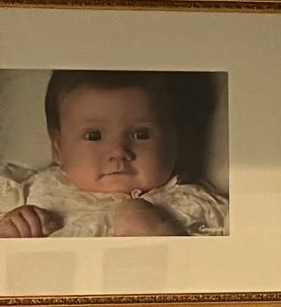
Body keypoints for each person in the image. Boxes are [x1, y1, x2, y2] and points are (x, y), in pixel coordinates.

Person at [0, 73, 228, 239]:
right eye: (94, 135)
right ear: (58, 148)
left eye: (141, 134)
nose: (118, 152)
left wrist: (165, 235)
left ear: (174, 141)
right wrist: (10, 232)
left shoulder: (194, 204)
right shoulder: (31, 192)